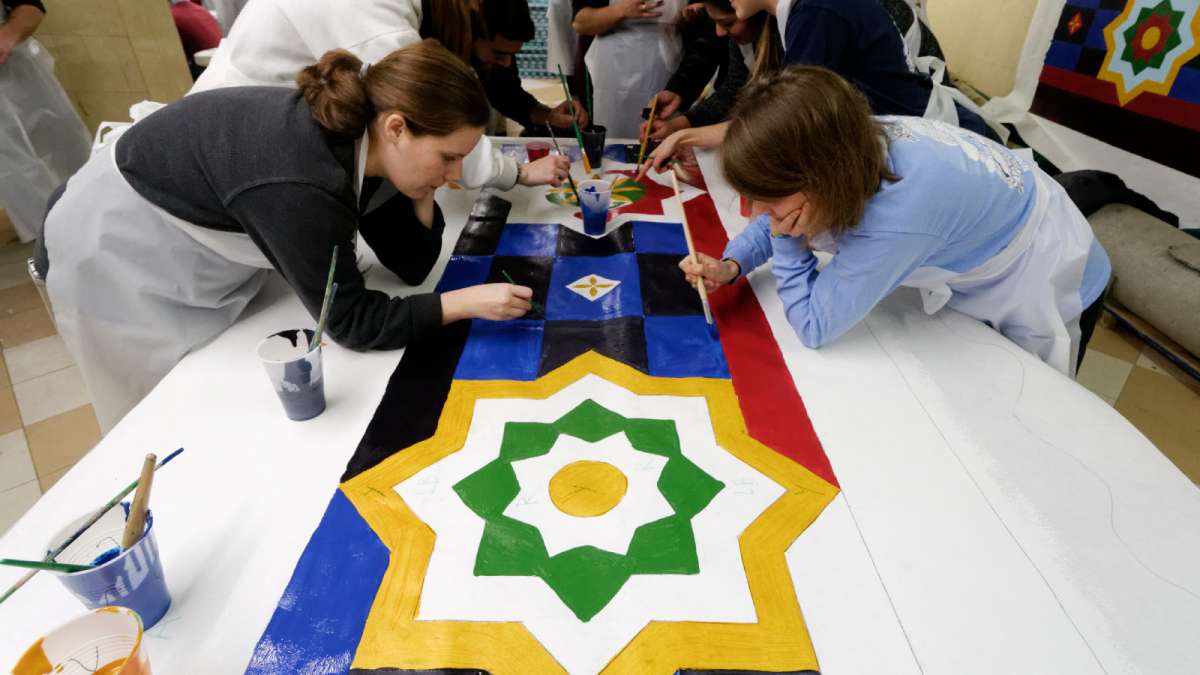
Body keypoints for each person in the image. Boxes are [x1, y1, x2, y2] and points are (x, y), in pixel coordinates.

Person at [37, 41, 534, 432]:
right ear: (398, 127)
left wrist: (423, 186)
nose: (454, 175)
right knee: (155, 412)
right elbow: (349, 323)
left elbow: (412, 262)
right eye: (448, 157)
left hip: (192, 229)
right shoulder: (304, 182)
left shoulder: (368, 143)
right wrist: (463, 303)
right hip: (115, 248)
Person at [681, 67, 1110, 378]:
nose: (757, 213)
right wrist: (732, 263)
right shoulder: (843, 139)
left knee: (1031, 394)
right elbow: (780, 208)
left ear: (820, 179)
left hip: (1051, 264)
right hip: (997, 213)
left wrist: (786, 239)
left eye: (767, 201)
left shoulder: (897, 218)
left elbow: (813, 326)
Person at [192, 0, 569, 190]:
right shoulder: (373, 11)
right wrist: (514, 172)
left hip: (263, 130)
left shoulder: (433, 13)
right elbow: (431, 108)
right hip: (230, 144)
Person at [0, 0, 90, 242]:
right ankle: (57, 240)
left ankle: (101, 211)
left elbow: (30, 6)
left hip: (19, 68)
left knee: (64, 144)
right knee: (14, 169)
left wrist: (8, 35)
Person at [572, 0, 686, 138]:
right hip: (614, 64)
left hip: (668, 60)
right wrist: (620, 10)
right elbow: (580, 23)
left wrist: (692, 17)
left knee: (663, 134)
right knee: (613, 138)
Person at [474, 0, 588, 134]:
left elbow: (507, 95)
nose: (506, 63)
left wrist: (550, 115)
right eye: (498, 54)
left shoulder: (497, 51)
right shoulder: (447, 57)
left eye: (512, 55)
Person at [169, 0, 222, 79]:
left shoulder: (172, 16)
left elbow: (177, 54)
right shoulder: (199, 8)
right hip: (220, 59)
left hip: (206, 68)